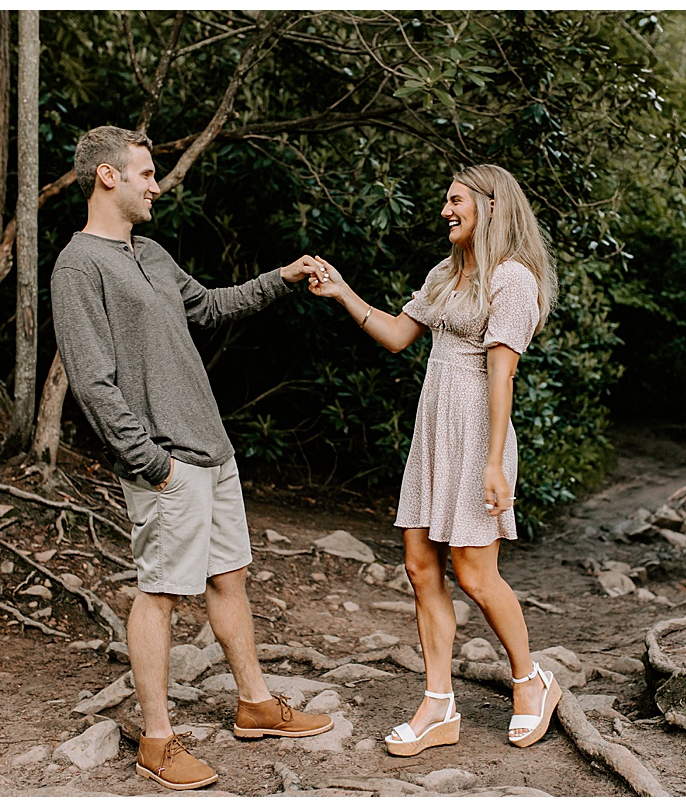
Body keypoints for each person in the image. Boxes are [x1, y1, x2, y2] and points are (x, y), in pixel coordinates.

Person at [51, 125, 332, 791]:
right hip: (168, 461)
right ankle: (157, 740)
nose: (157, 184)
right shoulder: (78, 266)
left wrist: (284, 277)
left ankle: (257, 704)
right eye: (146, 173)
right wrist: (151, 462)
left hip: (213, 450)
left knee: (228, 576)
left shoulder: (149, 252)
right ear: (108, 177)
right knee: (159, 594)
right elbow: (92, 382)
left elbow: (208, 306)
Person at [307, 164, 561, 755]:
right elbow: (398, 334)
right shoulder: (446, 275)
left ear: (491, 207)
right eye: (445, 201)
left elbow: (502, 378)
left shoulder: (513, 280)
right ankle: (439, 705)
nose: (446, 210)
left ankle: (531, 680)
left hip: (478, 436)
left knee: (475, 573)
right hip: (433, 435)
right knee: (421, 568)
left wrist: (494, 463)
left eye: (456, 200)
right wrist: (344, 291)